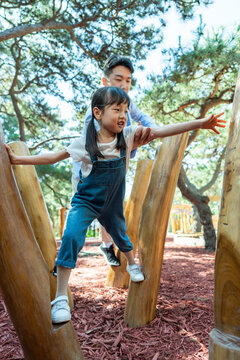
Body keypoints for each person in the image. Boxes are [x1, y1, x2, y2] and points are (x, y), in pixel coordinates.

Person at [5, 87, 225, 324]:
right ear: (97, 113)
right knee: (70, 237)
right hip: (86, 202)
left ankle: (132, 265)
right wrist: (18, 160)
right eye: (116, 109)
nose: (123, 115)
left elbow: (162, 131)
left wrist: (200, 123)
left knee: (120, 235)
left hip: (112, 202)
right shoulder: (85, 143)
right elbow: (52, 157)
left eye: (126, 110)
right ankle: (59, 298)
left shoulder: (129, 135)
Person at [73, 55, 158, 267]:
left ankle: (107, 245)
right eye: (119, 79)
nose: (124, 84)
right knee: (91, 209)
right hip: (92, 169)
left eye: (128, 80)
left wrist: (154, 131)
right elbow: (93, 141)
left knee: (113, 205)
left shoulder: (128, 103)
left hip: (117, 164)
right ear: (105, 82)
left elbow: (143, 118)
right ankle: (72, 256)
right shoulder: (97, 109)